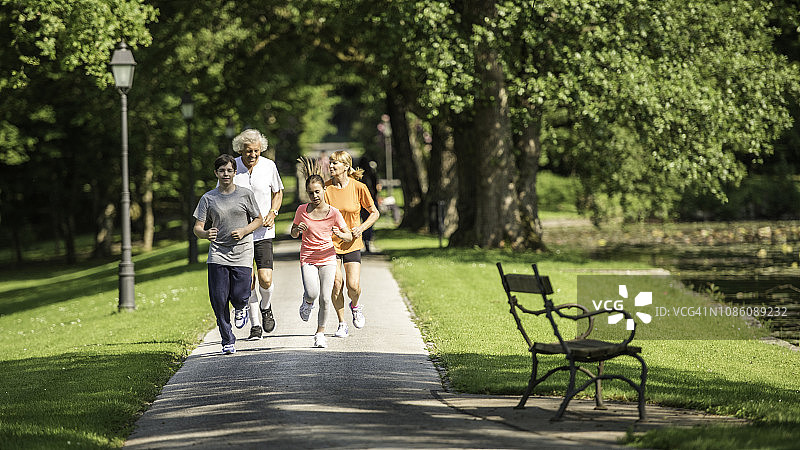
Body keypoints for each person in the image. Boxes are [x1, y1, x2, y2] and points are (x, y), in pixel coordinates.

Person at [193, 154, 263, 354]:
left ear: (235, 172)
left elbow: (258, 219)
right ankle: (227, 340)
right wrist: (205, 233)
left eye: (229, 170)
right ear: (216, 173)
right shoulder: (208, 198)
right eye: (222, 170)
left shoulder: (245, 194)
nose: (226, 174)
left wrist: (244, 231)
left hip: (242, 251)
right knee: (219, 298)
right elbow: (197, 227)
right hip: (217, 253)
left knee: (241, 295)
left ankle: (241, 308)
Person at [291, 157, 353, 348]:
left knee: (326, 297)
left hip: (328, 257)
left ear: (324, 190)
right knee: (312, 293)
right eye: (311, 193)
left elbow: (349, 236)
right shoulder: (302, 210)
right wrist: (297, 230)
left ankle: (320, 333)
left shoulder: (334, 213)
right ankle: (307, 302)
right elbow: (293, 234)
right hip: (308, 258)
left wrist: (340, 233)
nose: (314, 196)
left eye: (317, 192)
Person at [229, 129, 284, 341]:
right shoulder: (232, 167)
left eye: (256, 151)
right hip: (240, 233)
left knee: (265, 278)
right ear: (240, 150)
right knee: (247, 280)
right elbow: (222, 194)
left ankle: (266, 306)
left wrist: (273, 212)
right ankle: (255, 326)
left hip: (263, 231)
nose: (252, 155)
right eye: (248, 151)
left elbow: (278, 192)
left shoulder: (269, 166)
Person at [324, 150, 380, 338]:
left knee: (353, 286)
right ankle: (342, 323)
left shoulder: (358, 187)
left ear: (346, 167)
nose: (331, 166)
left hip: (352, 243)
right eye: (330, 163)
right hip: (331, 243)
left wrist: (361, 229)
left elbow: (374, 213)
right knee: (335, 283)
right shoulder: (325, 189)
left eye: (335, 163)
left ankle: (355, 306)